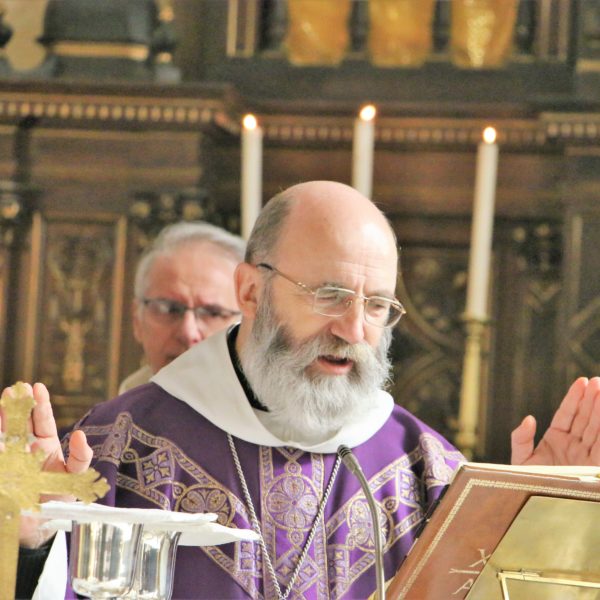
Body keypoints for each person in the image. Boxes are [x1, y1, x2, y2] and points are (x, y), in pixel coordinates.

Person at [14, 181, 600, 599]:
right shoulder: (116, 448)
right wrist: (32, 543)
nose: (353, 330)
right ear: (250, 292)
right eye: (329, 295)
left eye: (377, 305)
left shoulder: (427, 472)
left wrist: (533, 534)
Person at [119, 221, 245, 392]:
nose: (188, 333)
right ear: (137, 320)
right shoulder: (122, 405)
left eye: (212, 313)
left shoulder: (275, 407)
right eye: (169, 309)